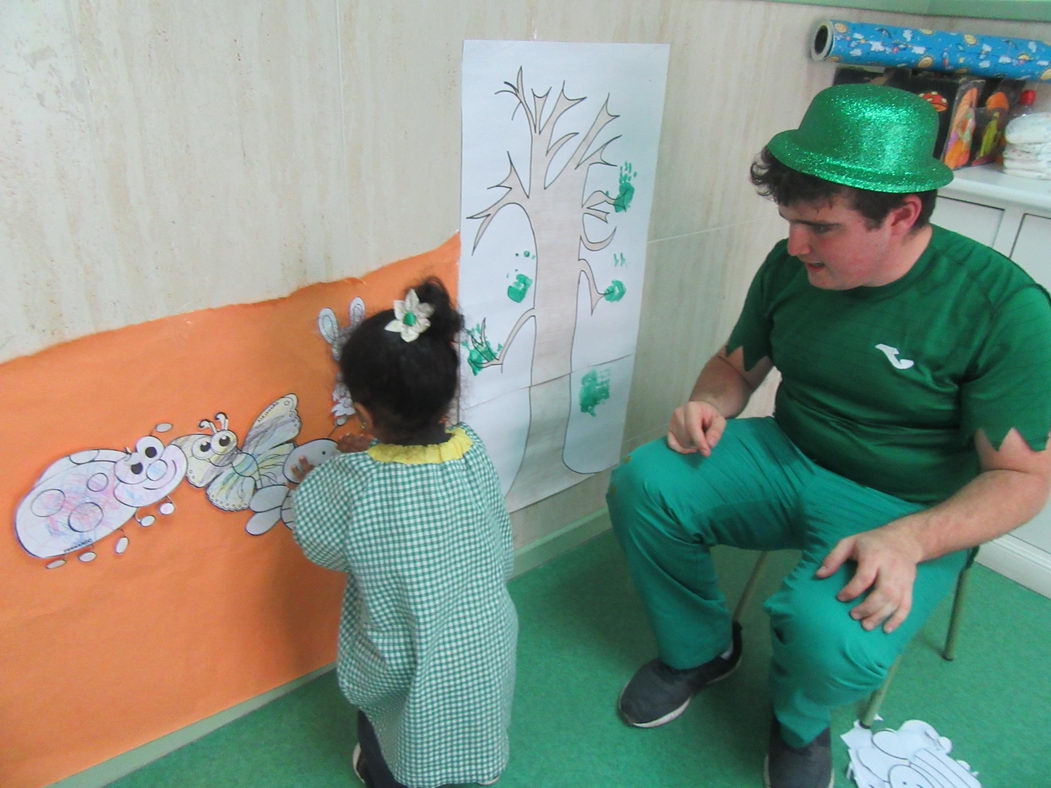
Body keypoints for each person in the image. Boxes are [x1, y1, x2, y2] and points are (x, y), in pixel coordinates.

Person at [606, 83, 1051, 788]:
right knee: (646, 481)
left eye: (821, 227)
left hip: (905, 505)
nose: (793, 243)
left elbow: (1023, 478)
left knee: (830, 637)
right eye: (789, 221)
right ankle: (700, 650)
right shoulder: (792, 265)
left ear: (900, 215)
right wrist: (706, 402)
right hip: (788, 453)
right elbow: (734, 365)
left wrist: (910, 539)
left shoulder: (1003, 307)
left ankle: (799, 721)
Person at [291, 278, 517, 788]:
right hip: (486, 639)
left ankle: (384, 773)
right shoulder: (471, 449)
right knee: (470, 710)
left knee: (387, 709)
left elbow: (322, 543)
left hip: (404, 650)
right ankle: (468, 767)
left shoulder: (353, 480)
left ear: (364, 413)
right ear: (446, 397)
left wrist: (317, 480)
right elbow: (499, 541)